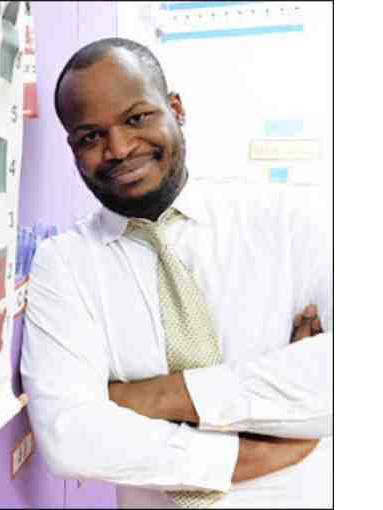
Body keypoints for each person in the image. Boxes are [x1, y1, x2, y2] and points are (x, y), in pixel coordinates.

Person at [20, 38, 332, 508]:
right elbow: (69, 438)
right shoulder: (64, 263)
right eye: (91, 136)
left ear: (176, 109)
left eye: (136, 118)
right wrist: (254, 444)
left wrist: (153, 397)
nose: (119, 148)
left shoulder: (286, 218)